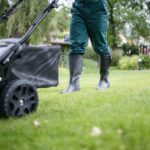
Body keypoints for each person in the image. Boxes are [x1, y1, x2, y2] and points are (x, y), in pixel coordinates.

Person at [63, 0, 111, 94]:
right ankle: (74, 84)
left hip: (98, 9)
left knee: (101, 45)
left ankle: (104, 80)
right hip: (79, 9)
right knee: (76, 44)